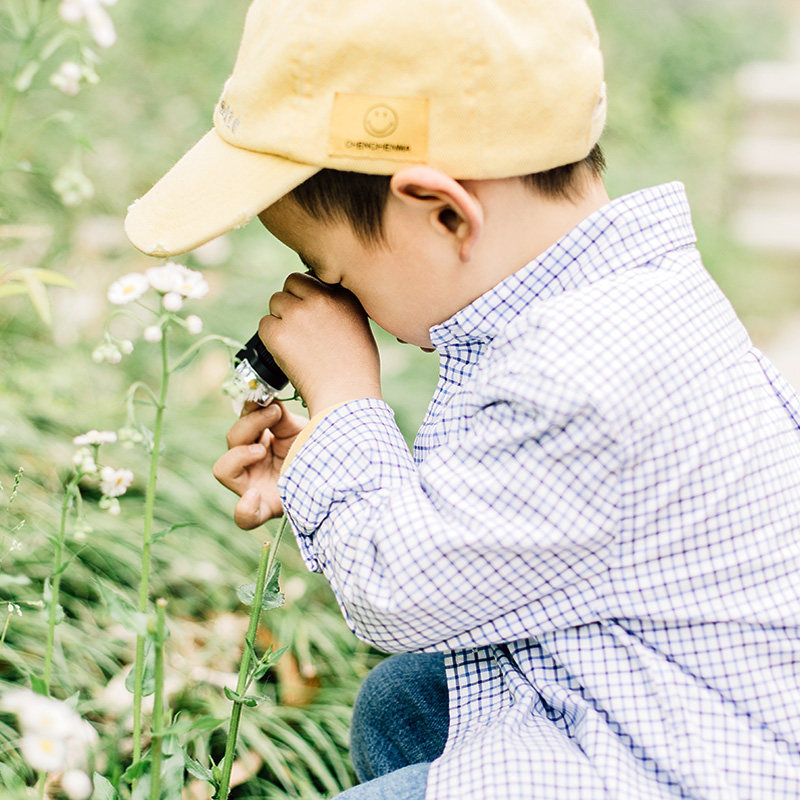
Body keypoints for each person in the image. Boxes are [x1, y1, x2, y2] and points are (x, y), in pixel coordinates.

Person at [124, 0, 800, 798]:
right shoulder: (611, 307)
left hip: (686, 765)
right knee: (407, 702)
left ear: (446, 212)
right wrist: (327, 455)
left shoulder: (585, 372)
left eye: (334, 272)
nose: (337, 300)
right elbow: (490, 528)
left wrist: (346, 400)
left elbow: (401, 595)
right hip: (654, 690)